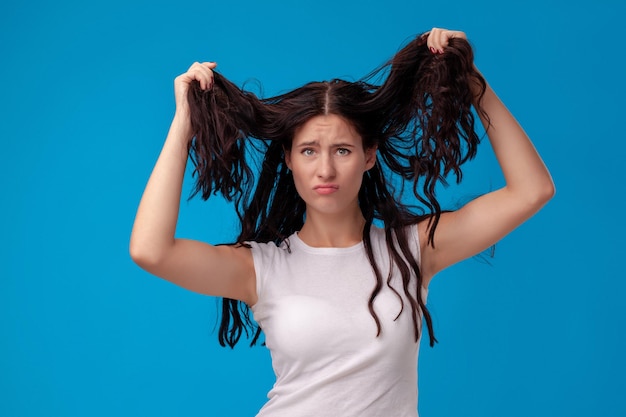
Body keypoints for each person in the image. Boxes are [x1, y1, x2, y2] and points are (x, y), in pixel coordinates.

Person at [130, 28, 554, 417]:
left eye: (343, 151)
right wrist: (185, 122)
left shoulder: (412, 249)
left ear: (369, 157)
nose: (325, 170)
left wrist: (470, 81)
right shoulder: (259, 267)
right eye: (309, 151)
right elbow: (150, 250)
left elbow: (531, 190)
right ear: (289, 160)